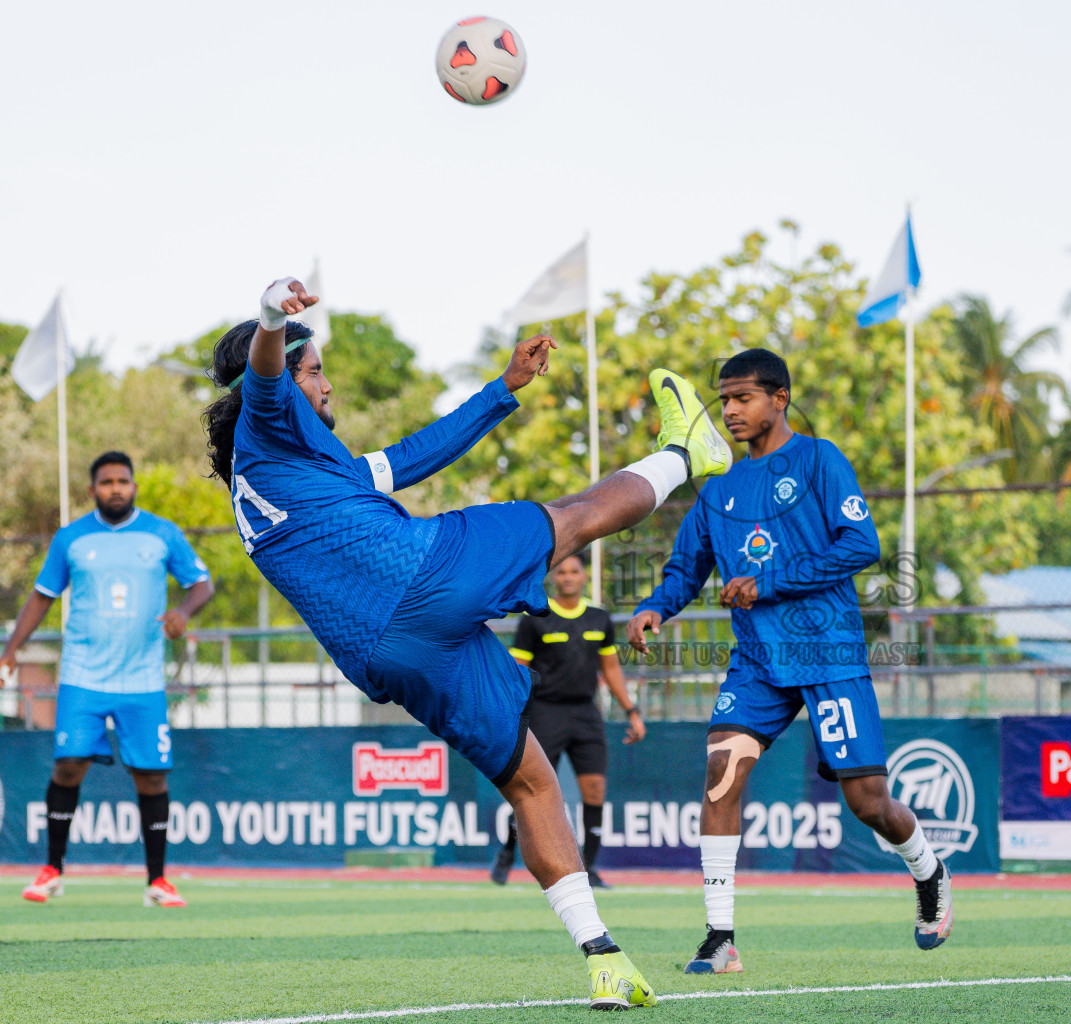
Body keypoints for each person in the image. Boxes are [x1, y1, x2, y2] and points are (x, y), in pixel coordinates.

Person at [201, 277, 731, 1010]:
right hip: (419, 576)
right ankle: (688, 451)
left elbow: (416, 456)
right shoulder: (266, 424)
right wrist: (270, 314)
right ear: (288, 378)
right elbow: (264, 372)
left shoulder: (305, 472)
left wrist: (502, 389)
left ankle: (603, 957)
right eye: (315, 368)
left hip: (391, 657)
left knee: (532, 782)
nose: (326, 382)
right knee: (571, 518)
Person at [626, 348, 953, 975]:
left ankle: (928, 869)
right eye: (722, 400)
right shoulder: (716, 485)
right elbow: (685, 570)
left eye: (742, 397)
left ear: (779, 398)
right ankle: (719, 938)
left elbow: (862, 544)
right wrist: (653, 609)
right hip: (755, 663)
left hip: (826, 652)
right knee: (722, 771)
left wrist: (768, 581)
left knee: (868, 803)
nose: (729, 411)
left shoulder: (819, 459)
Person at [1, 451, 214, 908]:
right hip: (83, 677)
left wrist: (182, 611)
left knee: (152, 776)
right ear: (93, 488)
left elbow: (202, 584)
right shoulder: (72, 539)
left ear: (134, 485)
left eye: (122, 480)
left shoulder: (162, 533)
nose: (115, 488)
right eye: (106, 482)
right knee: (68, 765)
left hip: (142, 680)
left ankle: (157, 881)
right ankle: (52, 870)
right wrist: (12, 648)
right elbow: (41, 597)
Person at [492, 550, 644, 888]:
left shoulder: (598, 618)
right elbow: (517, 669)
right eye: (561, 572)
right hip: (546, 712)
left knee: (595, 790)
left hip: (586, 714)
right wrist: (511, 710)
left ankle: (588, 868)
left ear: (584, 576)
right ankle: (507, 852)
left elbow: (610, 668)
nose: (568, 577)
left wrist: (632, 711)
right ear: (553, 578)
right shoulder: (536, 617)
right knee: (531, 790)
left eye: (574, 571)